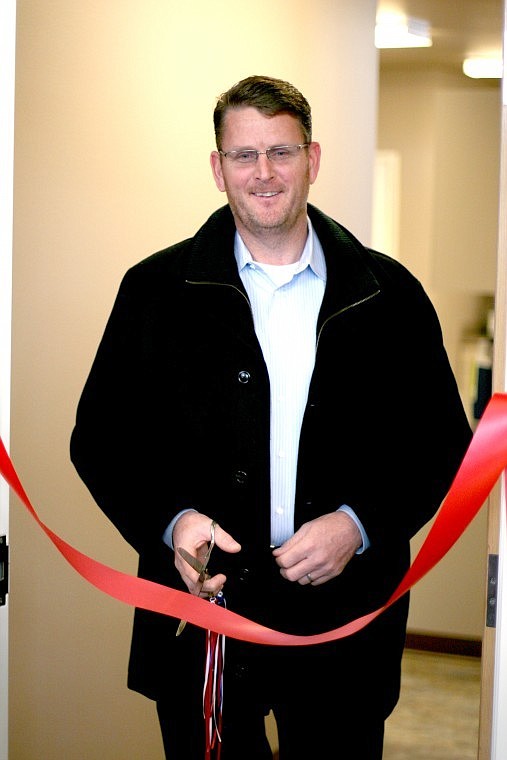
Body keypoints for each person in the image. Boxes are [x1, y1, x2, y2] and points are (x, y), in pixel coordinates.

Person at [70, 75, 472, 759]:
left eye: (281, 152)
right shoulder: (155, 292)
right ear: (217, 167)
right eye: (243, 155)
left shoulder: (389, 296)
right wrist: (173, 522)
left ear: (312, 160)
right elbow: (103, 440)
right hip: (207, 612)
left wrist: (359, 524)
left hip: (344, 622)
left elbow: (439, 445)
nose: (262, 173)